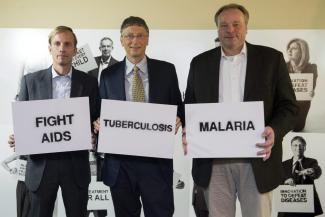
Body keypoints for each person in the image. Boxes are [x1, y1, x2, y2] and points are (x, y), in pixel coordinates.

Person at [183, 3, 298, 217]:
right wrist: (189, 131)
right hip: (213, 162)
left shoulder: (272, 59)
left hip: (256, 161)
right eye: (224, 25)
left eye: (236, 24)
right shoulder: (199, 63)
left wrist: (275, 129)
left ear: (246, 27)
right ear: (217, 29)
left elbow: (290, 107)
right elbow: (190, 107)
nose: (230, 30)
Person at [93, 16, 183, 217]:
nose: (135, 41)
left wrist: (178, 117)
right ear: (121, 40)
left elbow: (178, 106)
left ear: (148, 39)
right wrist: (97, 124)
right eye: (129, 36)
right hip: (120, 165)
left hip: (156, 163)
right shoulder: (108, 75)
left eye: (140, 35)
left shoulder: (166, 71)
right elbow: (100, 112)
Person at [8, 26, 99, 217]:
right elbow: (25, 121)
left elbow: (95, 119)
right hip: (41, 167)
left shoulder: (89, 83)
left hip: (75, 166)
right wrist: (20, 137)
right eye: (57, 44)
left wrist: (95, 130)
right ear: (50, 48)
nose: (62, 49)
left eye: (67, 44)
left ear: (74, 49)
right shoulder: (29, 81)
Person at [278, 136, 323, 217]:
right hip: (287, 206)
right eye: (295, 145)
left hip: (306, 206)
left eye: (300, 145)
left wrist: (311, 171)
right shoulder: (283, 164)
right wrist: (285, 181)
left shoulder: (311, 162)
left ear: (304, 147)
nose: (298, 148)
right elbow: (276, 180)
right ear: (291, 147)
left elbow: (317, 170)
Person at [286, 38, 318, 132]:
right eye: (289, 48)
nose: (289, 50)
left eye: (294, 48)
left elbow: (310, 89)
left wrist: (311, 92)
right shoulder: (283, 66)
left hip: (302, 104)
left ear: (302, 52)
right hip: (285, 103)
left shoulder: (312, 68)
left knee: (298, 128)